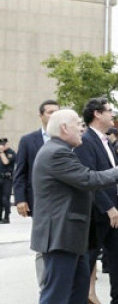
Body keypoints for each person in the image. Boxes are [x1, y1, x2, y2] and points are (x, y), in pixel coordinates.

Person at [30, 109, 118, 304]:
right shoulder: (57, 153)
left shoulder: (59, 150)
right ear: (64, 128)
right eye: (78, 124)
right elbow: (88, 179)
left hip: (71, 238)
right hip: (60, 238)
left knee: (77, 294)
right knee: (56, 296)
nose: (82, 128)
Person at [74, 97, 118, 304]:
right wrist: (108, 208)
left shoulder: (108, 142)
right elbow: (89, 178)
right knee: (87, 264)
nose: (112, 114)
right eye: (109, 111)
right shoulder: (85, 141)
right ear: (97, 114)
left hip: (116, 209)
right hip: (97, 214)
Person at [13, 99, 58, 286]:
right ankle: (44, 286)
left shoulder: (66, 139)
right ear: (41, 116)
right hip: (39, 202)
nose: (54, 115)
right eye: (49, 112)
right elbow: (20, 173)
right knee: (43, 245)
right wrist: (20, 199)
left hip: (63, 201)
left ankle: (59, 282)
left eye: (57, 112)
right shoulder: (28, 141)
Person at [0, 137, 15, 224]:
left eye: (3, 144)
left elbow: (5, 162)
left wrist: (1, 152)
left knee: (5, 198)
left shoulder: (10, 153)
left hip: (7, 179)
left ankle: (6, 217)